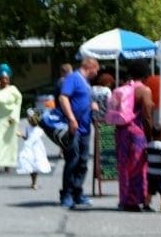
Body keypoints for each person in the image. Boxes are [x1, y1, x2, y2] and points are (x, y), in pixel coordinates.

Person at [57, 58, 100, 208]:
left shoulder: (86, 83)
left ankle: (77, 192)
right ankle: (67, 194)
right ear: (91, 67)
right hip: (73, 127)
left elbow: (81, 100)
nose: (97, 73)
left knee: (83, 161)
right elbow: (63, 98)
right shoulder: (73, 78)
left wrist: (91, 106)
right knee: (72, 160)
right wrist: (71, 118)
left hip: (85, 127)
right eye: (97, 69)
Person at [111, 60, 154, 211]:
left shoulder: (122, 88)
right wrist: (150, 137)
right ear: (145, 74)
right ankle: (134, 200)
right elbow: (147, 116)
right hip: (137, 133)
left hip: (121, 131)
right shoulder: (144, 90)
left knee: (123, 166)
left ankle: (124, 199)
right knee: (137, 166)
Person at [0, 63, 22, 172]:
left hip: (11, 119)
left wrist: (14, 115)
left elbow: (18, 101)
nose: (5, 80)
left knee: (10, 142)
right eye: (2, 78)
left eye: (6, 78)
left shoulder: (13, 89)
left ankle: (8, 163)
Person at [16, 108, 51, 189]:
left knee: (36, 165)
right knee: (31, 166)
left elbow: (34, 138)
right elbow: (27, 138)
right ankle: (33, 182)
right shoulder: (28, 128)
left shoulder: (39, 129)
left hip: (37, 149)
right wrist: (21, 135)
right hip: (29, 149)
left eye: (30, 118)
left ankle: (34, 182)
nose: (29, 120)